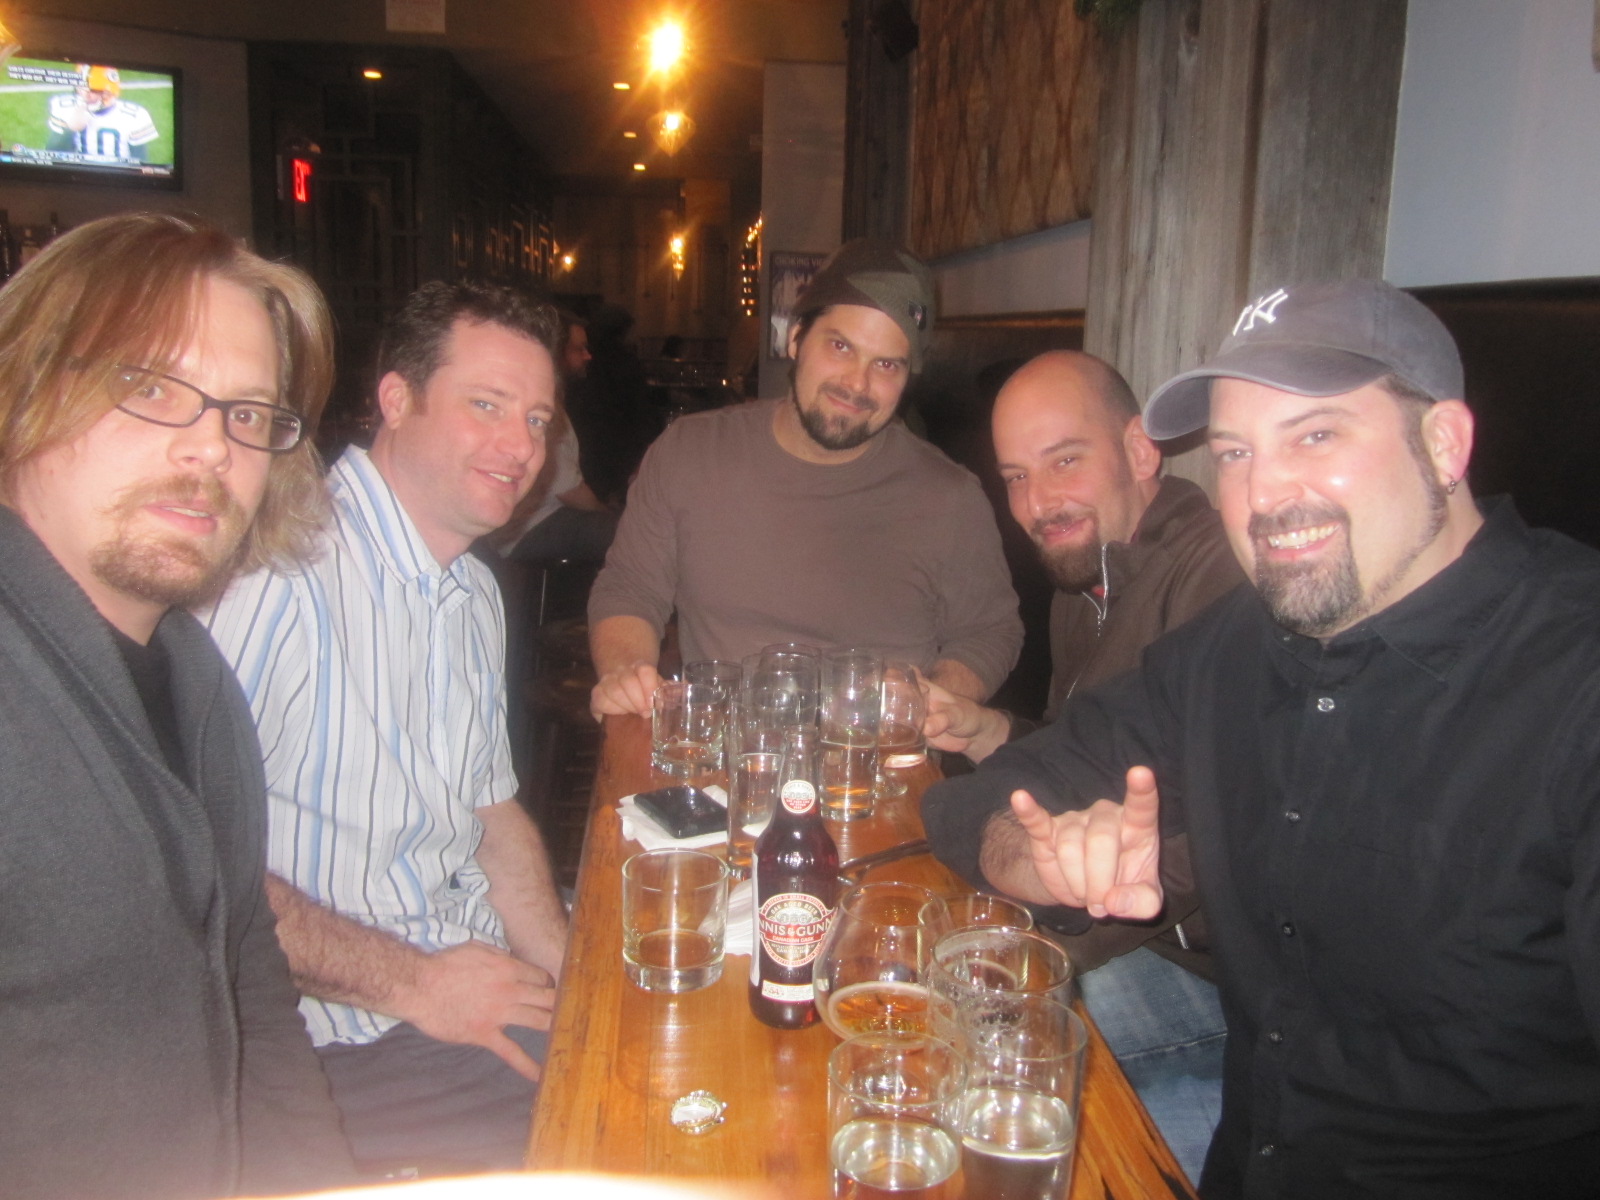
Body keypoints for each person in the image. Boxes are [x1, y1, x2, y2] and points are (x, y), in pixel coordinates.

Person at [922, 279, 1600, 1198]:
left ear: (1443, 443)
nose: (1264, 493)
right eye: (1236, 453)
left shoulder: (1573, 675)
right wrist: (1042, 864)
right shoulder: (1230, 649)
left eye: (1315, 435)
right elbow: (973, 803)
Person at [0, 212, 354, 1198]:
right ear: (25, 381)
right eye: (151, 386)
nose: (210, 451)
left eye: (248, 414)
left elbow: (252, 994)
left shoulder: (196, 681)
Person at [206, 281, 571, 1173]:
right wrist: (422, 985)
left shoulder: (472, 590)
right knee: (648, 1133)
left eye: (536, 419)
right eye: (486, 405)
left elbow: (492, 819)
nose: (521, 445)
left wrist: (577, 975)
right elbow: (188, 867)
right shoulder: (280, 574)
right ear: (397, 399)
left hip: (465, 976)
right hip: (344, 1037)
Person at [921, 349, 1242, 1178]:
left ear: (1140, 450)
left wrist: (1028, 937)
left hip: (1208, 985)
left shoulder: (1219, 578)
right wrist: (991, 731)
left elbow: (1208, 845)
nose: (1038, 502)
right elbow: (1086, 761)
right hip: (1122, 943)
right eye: (1016, 477)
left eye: (1065, 460)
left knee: (953, 1045)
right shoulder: (1087, 584)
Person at [588, 238, 1022, 717]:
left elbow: (990, 631)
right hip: (725, 750)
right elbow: (630, 588)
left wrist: (927, 704)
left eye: (886, 365)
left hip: (873, 756)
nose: (857, 383)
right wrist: (628, 674)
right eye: (840, 346)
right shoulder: (688, 453)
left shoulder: (950, 497)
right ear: (795, 337)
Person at [495, 311, 618, 564]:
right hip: (527, 530)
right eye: (579, 349)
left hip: (527, 525)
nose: (588, 356)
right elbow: (568, 490)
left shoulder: (558, 403)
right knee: (632, 535)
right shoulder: (544, 410)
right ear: (556, 353)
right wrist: (607, 512)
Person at [46, 64, 159, 161]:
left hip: (119, 174)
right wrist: (77, 113)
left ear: (108, 92)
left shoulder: (135, 115)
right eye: (82, 88)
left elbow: (140, 160)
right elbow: (54, 153)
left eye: (93, 90)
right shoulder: (64, 106)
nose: (86, 94)